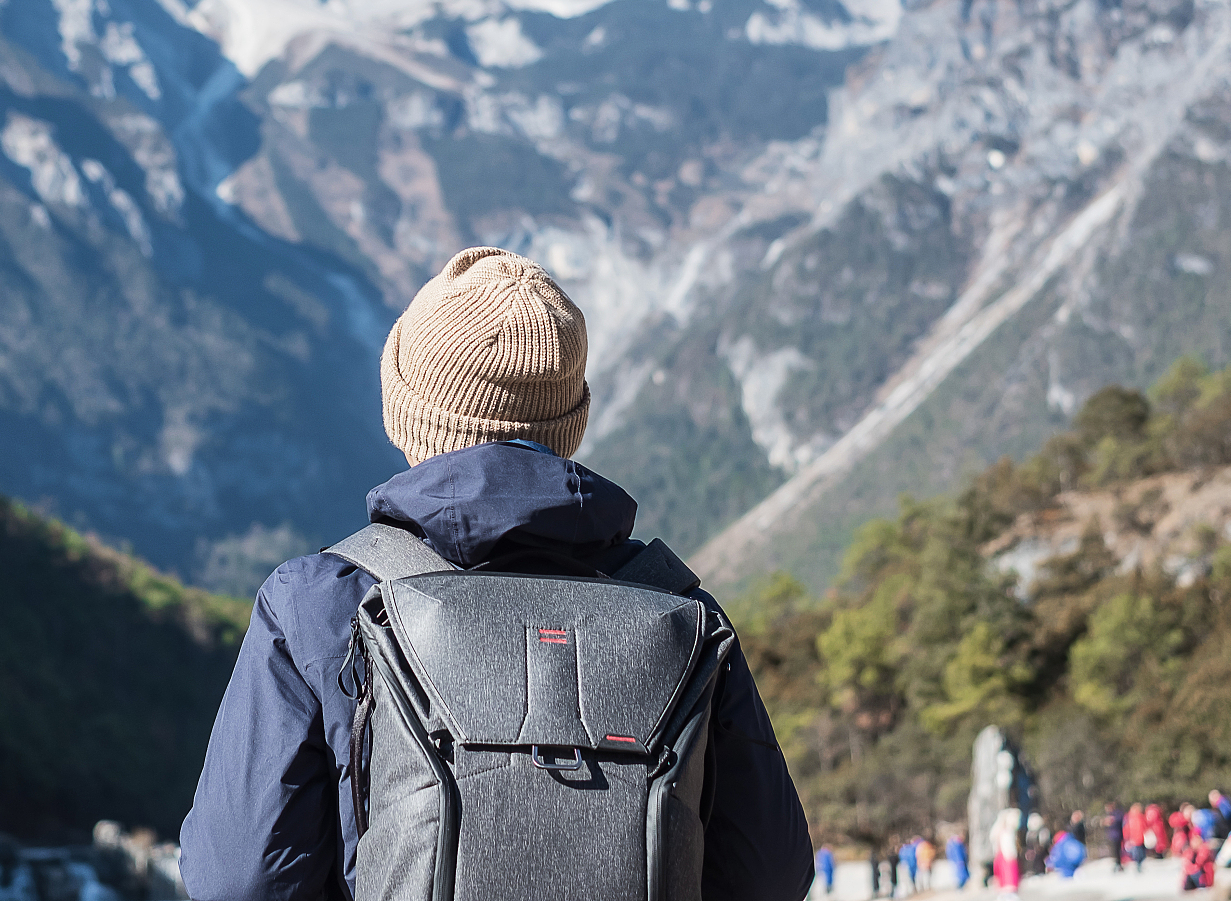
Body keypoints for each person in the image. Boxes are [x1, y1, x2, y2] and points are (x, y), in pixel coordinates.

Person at [179, 249, 813, 901]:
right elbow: (771, 873)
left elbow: (238, 877)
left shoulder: (317, 601)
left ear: (407, 411)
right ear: (570, 421)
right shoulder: (677, 608)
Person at [1103, 802, 1125, 873]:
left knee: (1118, 851)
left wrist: (1112, 821)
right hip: (1112, 836)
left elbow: (1120, 821)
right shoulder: (1110, 815)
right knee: (1114, 851)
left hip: (1117, 835)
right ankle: (1117, 863)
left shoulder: (1117, 814)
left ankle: (1119, 864)